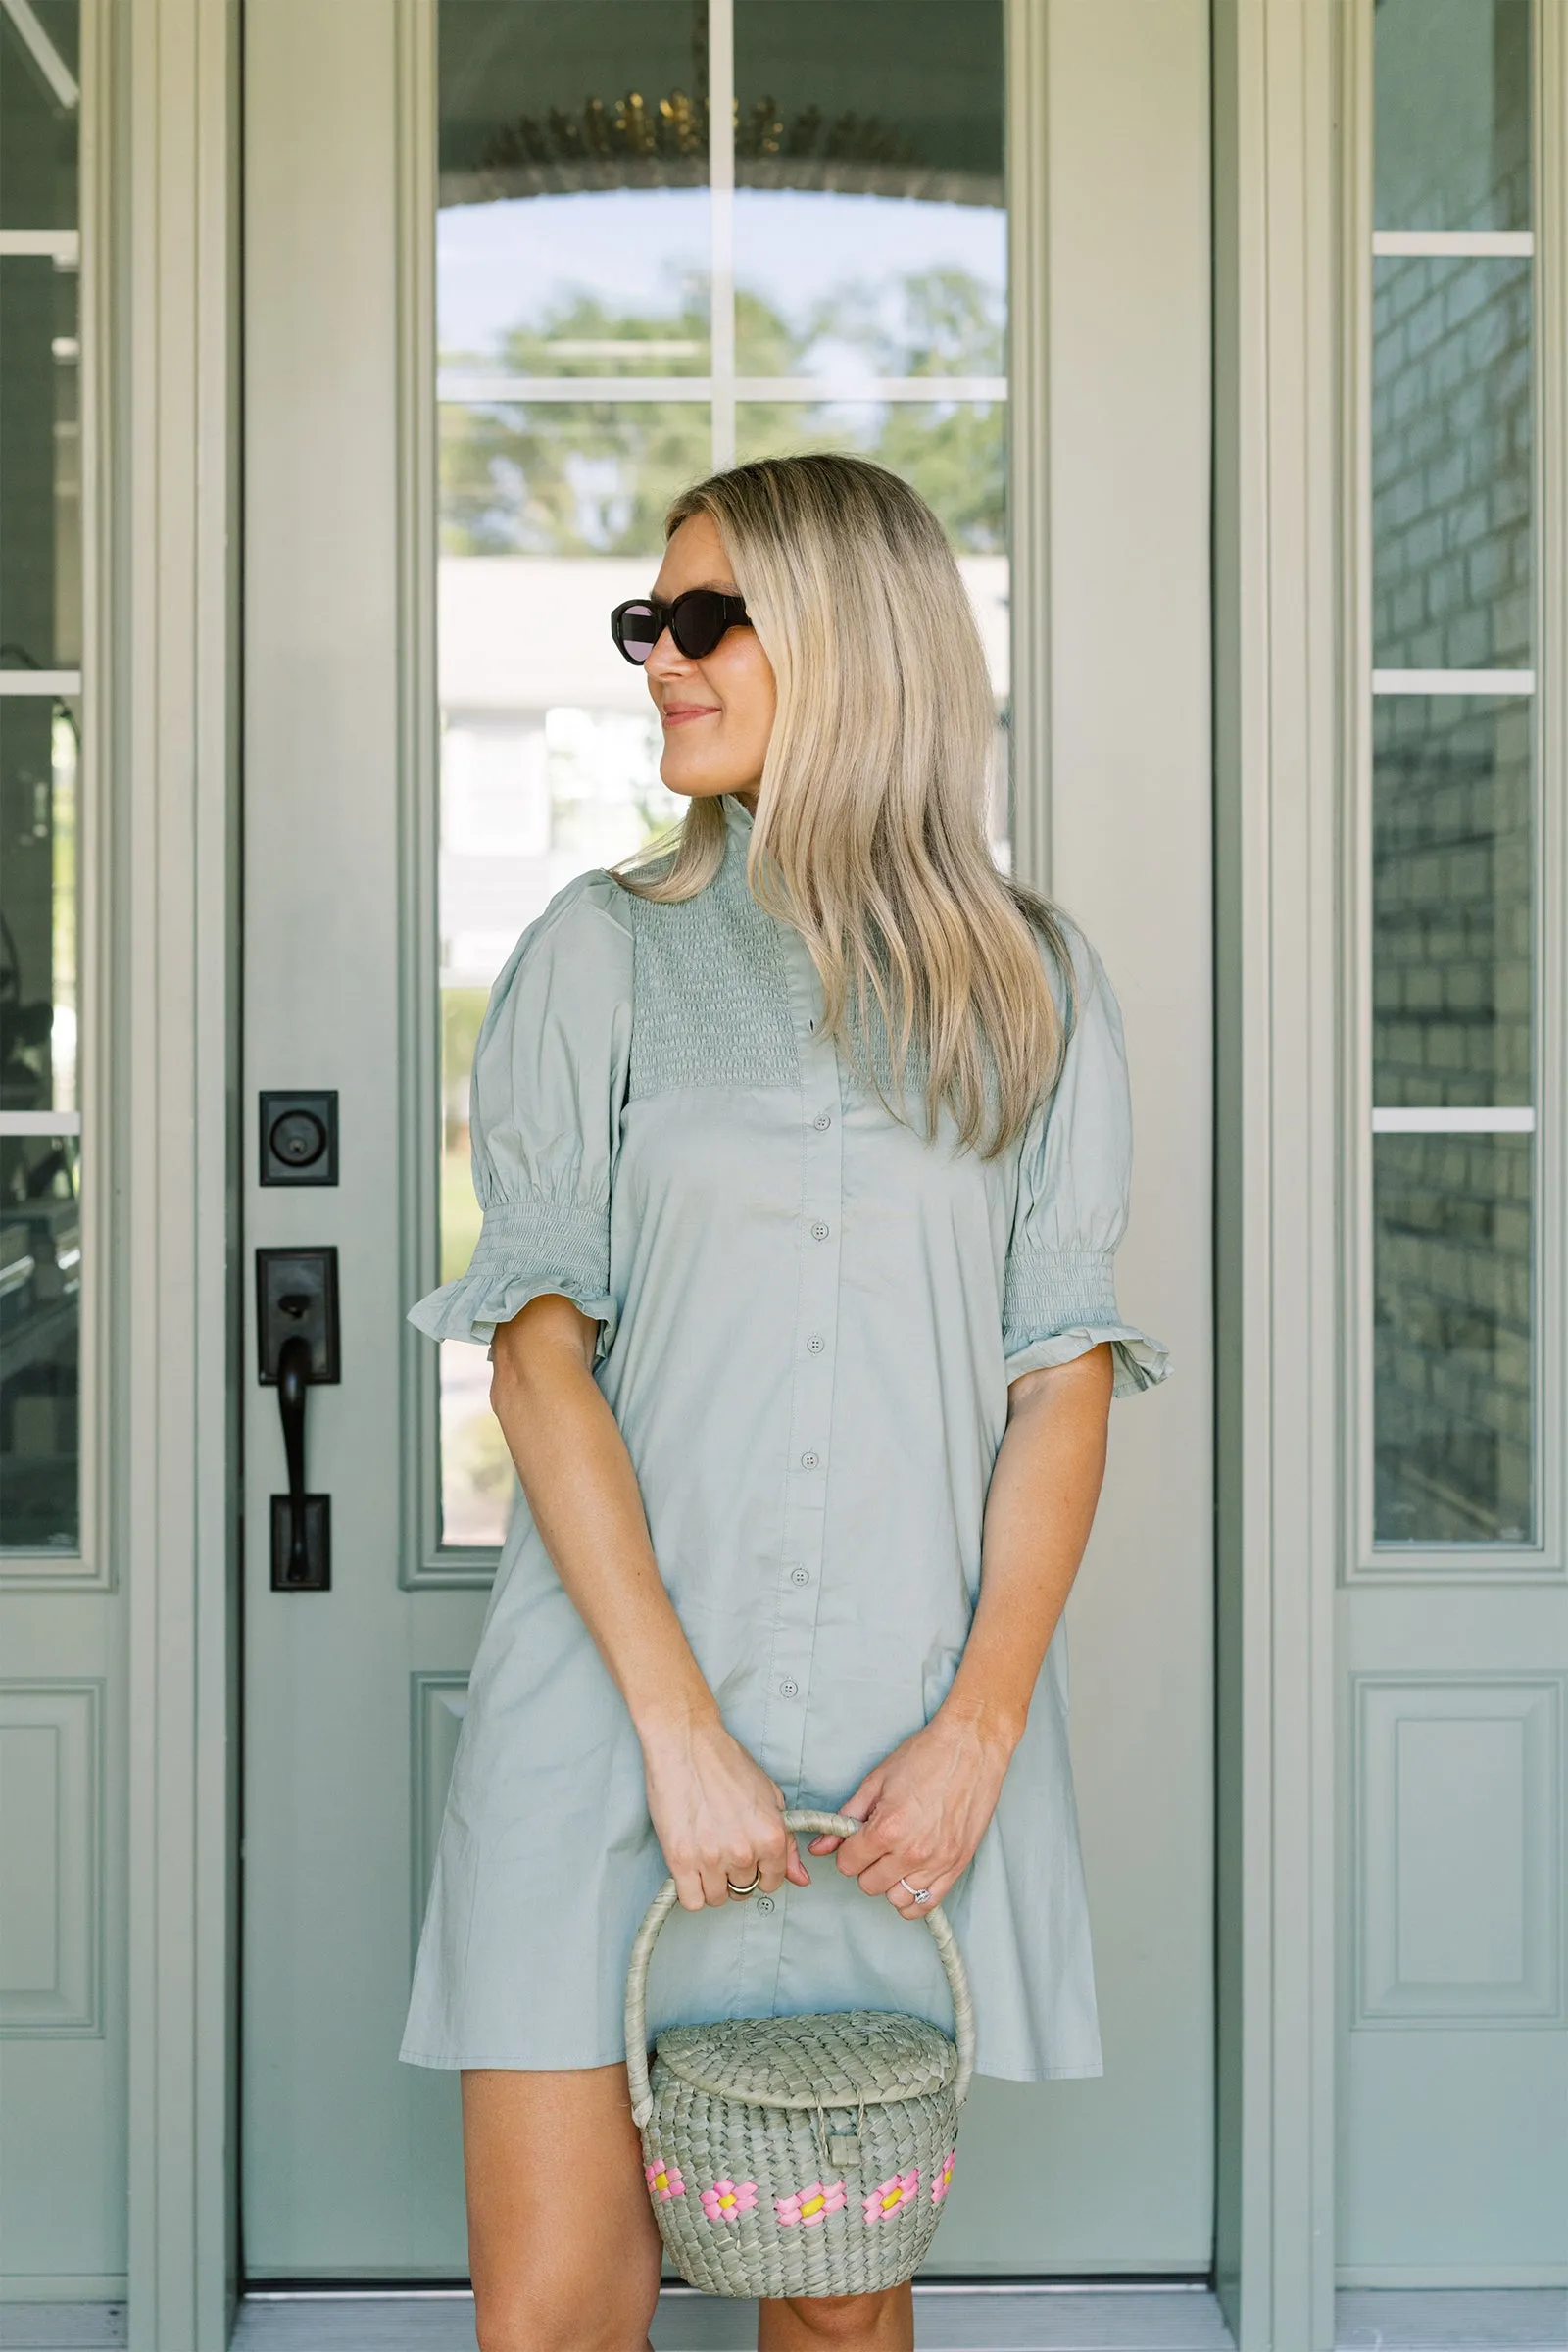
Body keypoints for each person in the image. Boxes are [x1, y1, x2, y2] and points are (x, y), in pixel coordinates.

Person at [400, 453, 1169, 2352]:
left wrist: (977, 1735)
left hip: (893, 1751)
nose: (659, 657)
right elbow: (537, 1350)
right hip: (609, 1725)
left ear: (849, 638)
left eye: (704, 618)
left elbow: (1057, 1383)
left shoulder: (1033, 990)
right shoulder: (603, 952)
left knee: (832, 2317)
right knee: (560, 2315)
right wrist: (675, 1732)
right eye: (643, 622)